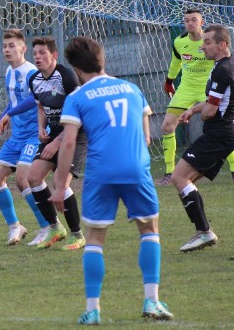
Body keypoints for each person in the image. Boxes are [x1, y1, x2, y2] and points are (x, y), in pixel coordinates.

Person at [51, 36, 173, 325]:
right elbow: (146, 137)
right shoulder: (132, 89)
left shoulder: (77, 97)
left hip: (101, 172)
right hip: (136, 168)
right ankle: (152, 300)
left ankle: (93, 309)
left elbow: (68, 144)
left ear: (77, 70)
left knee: (94, 239)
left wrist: (59, 185)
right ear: (102, 60)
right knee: (149, 230)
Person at [170, 24, 234, 253]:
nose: (202, 47)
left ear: (222, 45)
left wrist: (201, 114)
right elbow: (214, 101)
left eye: (207, 43)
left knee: (179, 177)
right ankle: (203, 231)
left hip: (219, 133)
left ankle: (204, 232)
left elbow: (211, 111)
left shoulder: (221, 70)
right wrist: (192, 109)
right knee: (186, 181)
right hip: (226, 134)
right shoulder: (231, 65)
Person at [160, 8, 234, 185]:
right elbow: (176, 63)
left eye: (194, 20)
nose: (190, 23)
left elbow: (227, 67)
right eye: (186, 20)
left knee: (220, 127)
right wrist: (169, 81)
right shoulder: (179, 42)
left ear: (201, 22)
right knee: (167, 125)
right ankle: (169, 172)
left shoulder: (213, 42)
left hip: (209, 88)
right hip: (186, 88)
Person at [0, 29, 49, 246]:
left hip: (34, 135)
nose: (7, 49)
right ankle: (15, 226)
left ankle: (47, 227)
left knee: (23, 180)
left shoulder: (32, 72)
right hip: (17, 137)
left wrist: (7, 117)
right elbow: (13, 103)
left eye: (12, 45)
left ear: (23, 48)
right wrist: (2, 119)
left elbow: (34, 99)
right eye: (4, 46)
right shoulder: (9, 72)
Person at [26, 36, 86, 250]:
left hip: (76, 134)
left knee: (60, 183)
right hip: (55, 133)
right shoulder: (34, 80)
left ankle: (77, 235)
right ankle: (55, 228)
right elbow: (41, 107)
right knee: (32, 177)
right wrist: (41, 128)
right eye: (35, 54)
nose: (38, 57)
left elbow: (79, 114)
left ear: (54, 55)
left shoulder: (66, 77)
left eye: (42, 53)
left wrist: (58, 142)